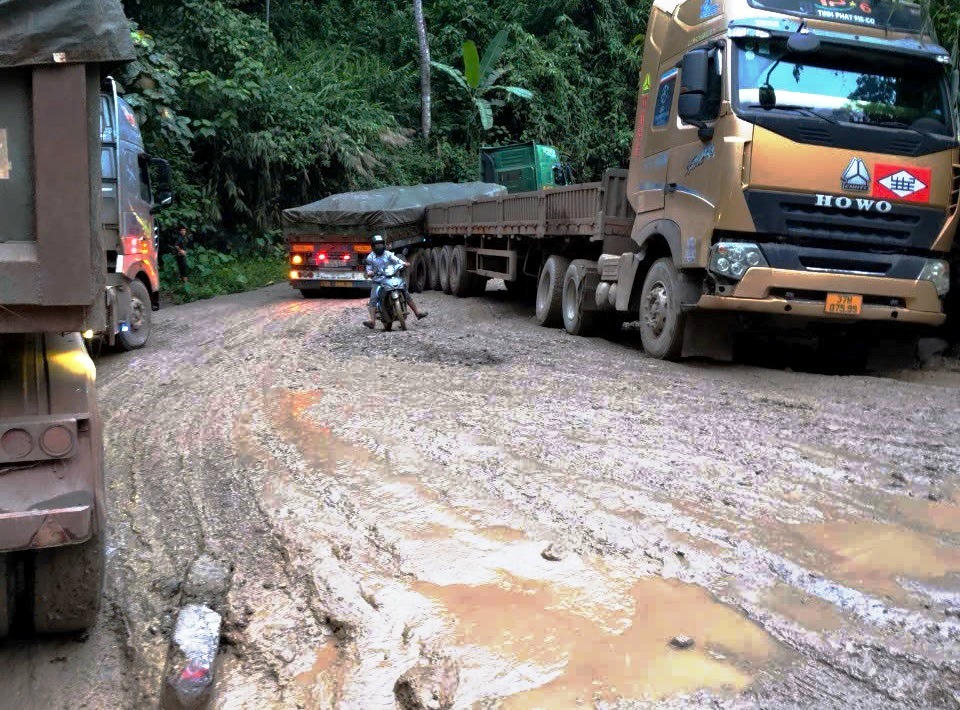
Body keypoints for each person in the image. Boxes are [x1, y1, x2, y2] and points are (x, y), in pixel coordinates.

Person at [363, 234, 428, 329]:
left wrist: (404, 263)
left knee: (405, 291)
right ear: (373, 246)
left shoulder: (388, 254)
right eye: (377, 245)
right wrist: (370, 273)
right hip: (378, 281)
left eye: (381, 244)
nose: (379, 247)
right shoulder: (370, 257)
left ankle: (417, 313)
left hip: (390, 278)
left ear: (383, 245)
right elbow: (368, 269)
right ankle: (372, 321)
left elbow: (396, 260)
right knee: (373, 298)